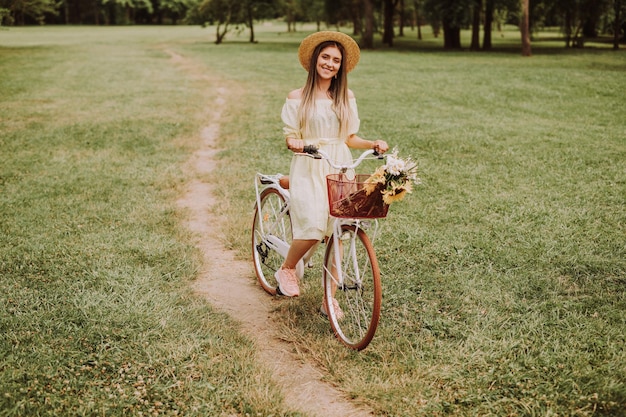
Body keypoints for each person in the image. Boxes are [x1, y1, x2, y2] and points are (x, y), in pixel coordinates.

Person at [276, 31, 389, 317]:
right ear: (315, 60)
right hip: (310, 160)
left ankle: (330, 297)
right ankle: (287, 269)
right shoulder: (297, 97)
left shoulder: (345, 97)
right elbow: (291, 137)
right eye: (325, 57)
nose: (330, 63)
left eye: (336, 60)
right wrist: (296, 143)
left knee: (339, 231)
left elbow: (349, 137)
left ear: (341, 66)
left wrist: (372, 143)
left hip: (338, 163)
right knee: (314, 227)